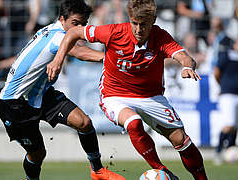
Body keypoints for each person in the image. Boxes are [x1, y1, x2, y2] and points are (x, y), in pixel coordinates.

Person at [47, 0, 208, 179]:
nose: (138, 30)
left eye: (143, 25)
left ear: (153, 20)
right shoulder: (114, 32)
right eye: (135, 23)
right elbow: (74, 32)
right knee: (134, 122)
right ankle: (162, 170)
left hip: (150, 96)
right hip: (115, 94)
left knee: (181, 140)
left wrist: (187, 67)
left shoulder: (160, 36)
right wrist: (57, 60)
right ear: (129, 19)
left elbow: (185, 57)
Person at [0, 0, 125, 179]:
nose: (78, 29)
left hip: (41, 94)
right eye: (75, 24)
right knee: (38, 154)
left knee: (84, 123)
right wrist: (117, 60)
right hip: (15, 105)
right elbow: (80, 53)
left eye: (82, 25)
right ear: (62, 19)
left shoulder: (54, 31)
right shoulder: (57, 36)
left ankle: (97, 171)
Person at [213, 31, 238, 165]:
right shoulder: (227, 54)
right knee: (228, 124)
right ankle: (218, 152)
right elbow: (216, 72)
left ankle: (230, 152)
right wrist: (223, 86)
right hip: (227, 94)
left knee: (236, 126)